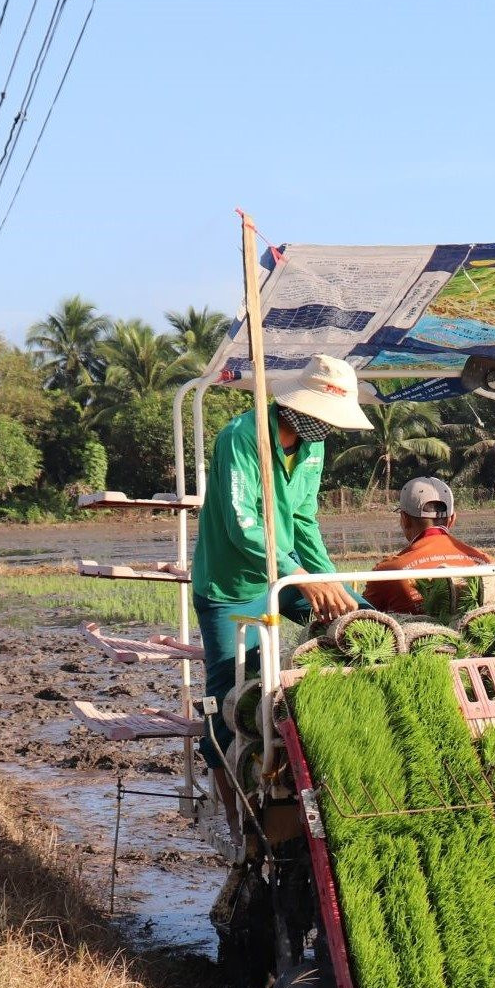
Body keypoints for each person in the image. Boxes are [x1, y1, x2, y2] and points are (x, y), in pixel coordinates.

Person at [191, 353, 367, 839]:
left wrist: (331, 584)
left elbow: (305, 520)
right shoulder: (241, 438)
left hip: (287, 572)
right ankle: (241, 827)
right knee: (231, 701)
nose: (329, 429)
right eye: (325, 419)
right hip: (232, 588)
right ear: (297, 407)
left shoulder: (313, 446)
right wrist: (302, 578)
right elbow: (242, 525)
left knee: (363, 625)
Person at [363, 476, 493, 615]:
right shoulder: (485, 562)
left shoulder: (389, 572)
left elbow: (363, 617)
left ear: (405, 519)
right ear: (452, 519)